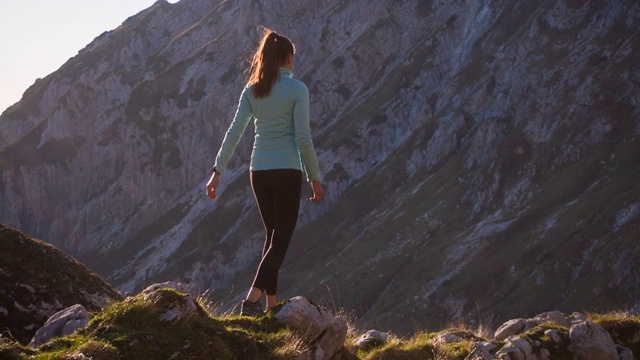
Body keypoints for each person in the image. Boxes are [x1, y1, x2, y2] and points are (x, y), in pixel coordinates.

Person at [205, 28, 323, 316]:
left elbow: (235, 132)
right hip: (287, 170)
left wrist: (217, 171)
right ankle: (251, 301)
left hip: (258, 170)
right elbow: (303, 137)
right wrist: (315, 179)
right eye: (292, 56)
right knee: (281, 239)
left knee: (272, 237)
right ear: (287, 58)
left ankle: (271, 305)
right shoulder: (298, 90)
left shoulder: (252, 90)